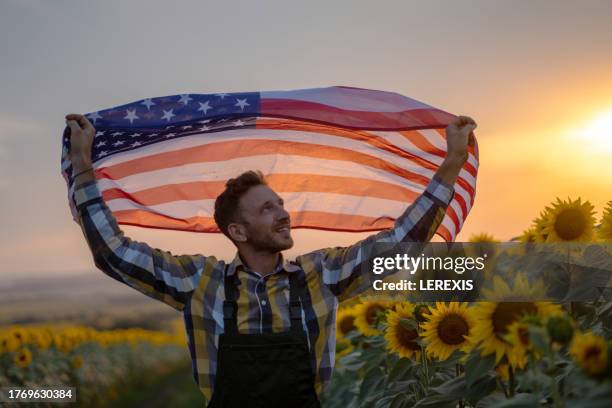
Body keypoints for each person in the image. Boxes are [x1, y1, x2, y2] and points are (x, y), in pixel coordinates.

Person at [65, 112, 476, 408]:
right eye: (266, 209)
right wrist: (84, 169)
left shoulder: (322, 274)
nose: (283, 213)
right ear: (237, 232)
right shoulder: (199, 282)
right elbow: (114, 253)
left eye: (280, 204)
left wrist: (451, 164)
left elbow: (400, 243)